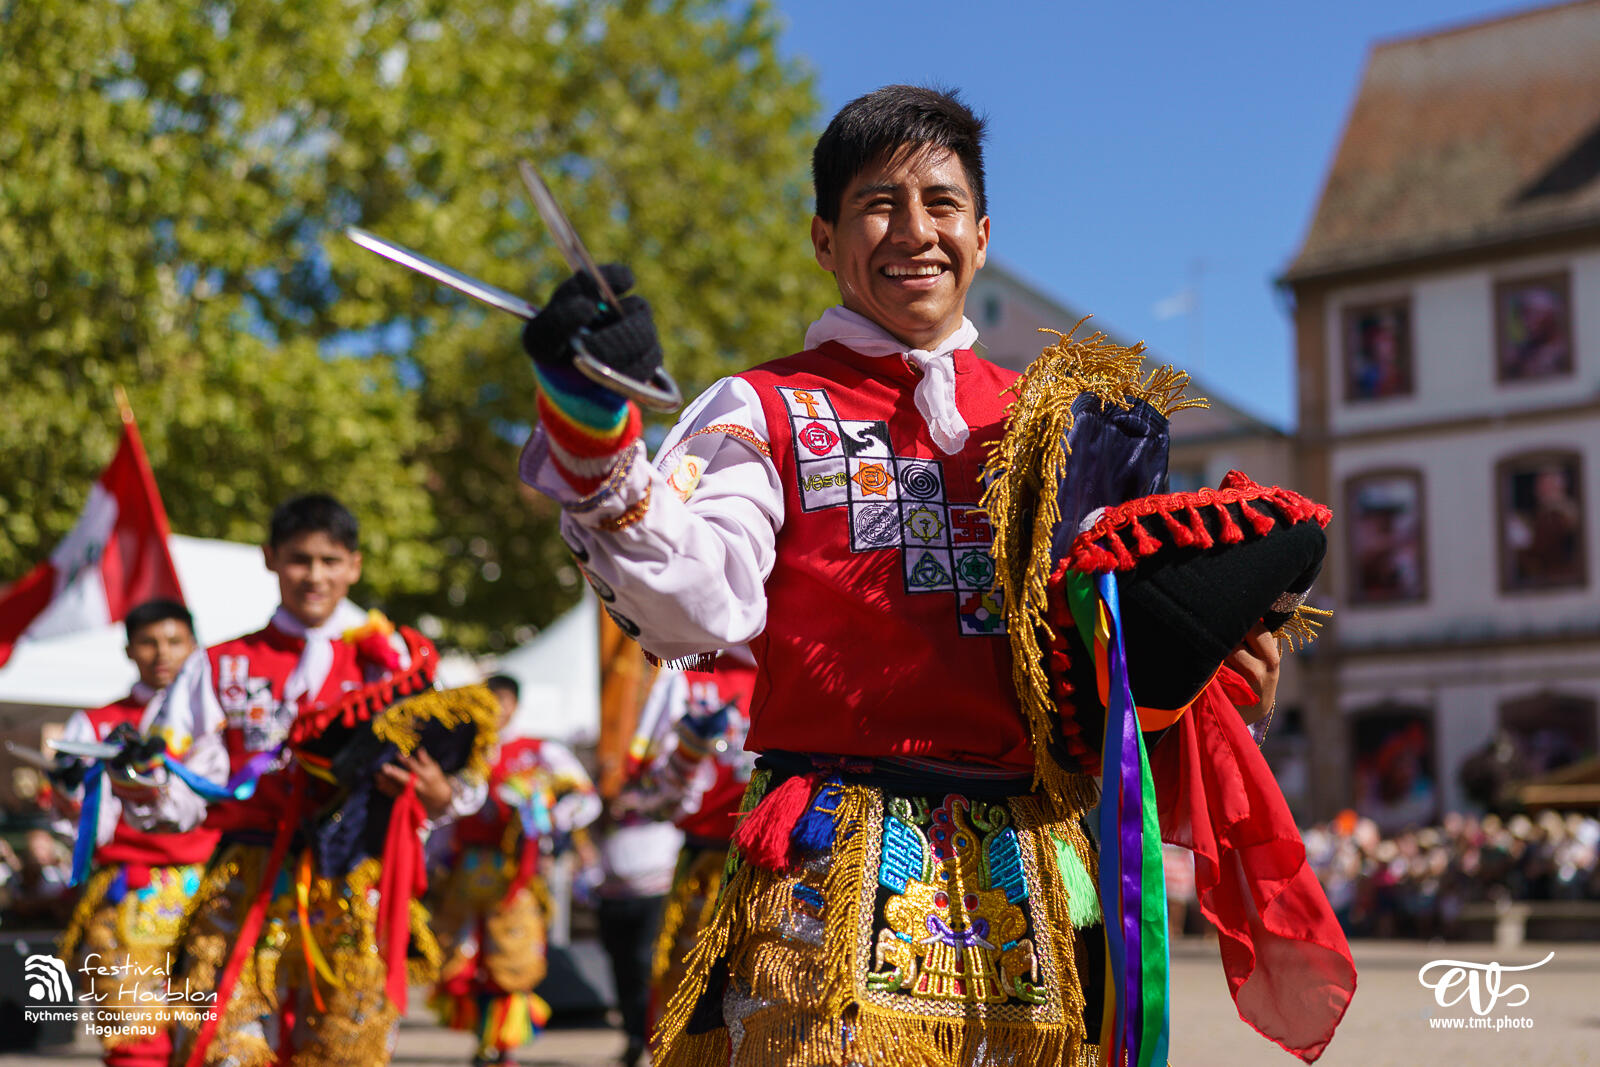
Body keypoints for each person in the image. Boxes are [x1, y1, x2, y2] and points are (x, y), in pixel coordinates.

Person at [514, 86, 1284, 1065]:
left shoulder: (1063, 429)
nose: (914, 231)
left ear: (982, 231)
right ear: (824, 238)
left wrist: (1209, 677)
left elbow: (1104, 667)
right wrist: (593, 432)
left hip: (1033, 873)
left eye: (941, 202)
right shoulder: (763, 406)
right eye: (879, 203)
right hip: (828, 858)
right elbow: (693, 606)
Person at [129, 493, 489, 1066]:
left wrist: (439, 795)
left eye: (330, 560)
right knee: (221, 1049)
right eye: (300, 559)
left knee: (347, 1053)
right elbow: (174, 784)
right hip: (246, 882)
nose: (314, 576)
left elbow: (462, 781)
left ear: (354, 565)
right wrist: (141, 785)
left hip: (354, 884)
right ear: (271, 558)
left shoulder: (399, 665)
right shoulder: (221, 664)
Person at [52, 599, 219, 1067]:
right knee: (134, 1043)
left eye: (174, 642)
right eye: (148, 642)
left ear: (194, 647)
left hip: (212, 893)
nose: (161, 653)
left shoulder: (217, 724)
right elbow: (89, 824)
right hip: (127, 895)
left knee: (214, 1039)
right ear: (129, 650)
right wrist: (68, 793)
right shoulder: (96, 725)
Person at [431, 674, 601, 1067]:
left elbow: (583, 796)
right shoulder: (463, 752)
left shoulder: (538, 751)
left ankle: (503, 1047)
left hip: (516, 877)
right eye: (489, 702)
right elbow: (444, 820)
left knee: (511, 961)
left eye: (503, 701)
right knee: (465, 961)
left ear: (515, 705)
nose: (497, 710)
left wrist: (548, 820)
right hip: (465, 874)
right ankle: (482, 1042)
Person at [616, 648, 757, 1038]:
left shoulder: (797, 665)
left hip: (775, 865)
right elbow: (649, 789)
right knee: (691, 985)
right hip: (706, 862)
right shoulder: (685, 676)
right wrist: (686, 757)